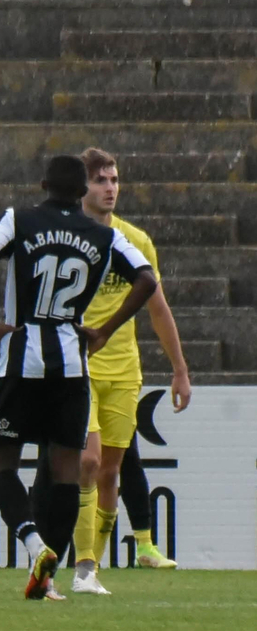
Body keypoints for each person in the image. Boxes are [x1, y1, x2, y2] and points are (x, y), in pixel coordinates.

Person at [0, 155, 157, 601]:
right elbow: (147, 279)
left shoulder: (19, 219)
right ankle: (49, 580)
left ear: (43, 185)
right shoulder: (106, 235)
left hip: (21, 360)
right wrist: (105, 330)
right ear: (81, 191)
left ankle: (35, 545)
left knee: (2, 464)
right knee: (67, 474)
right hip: (72, 365)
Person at [69, 147, 191, 593]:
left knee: (109, 473)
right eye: (101, 180)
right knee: (88, 461)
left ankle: (91, 571)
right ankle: (84, 567)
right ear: (82, 187)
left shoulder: (135, 241)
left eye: (114, 180)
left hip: (124, 371)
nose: (110, 188)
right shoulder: (68, 238)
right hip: (78, 369)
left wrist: (179, 369)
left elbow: (158, 308)